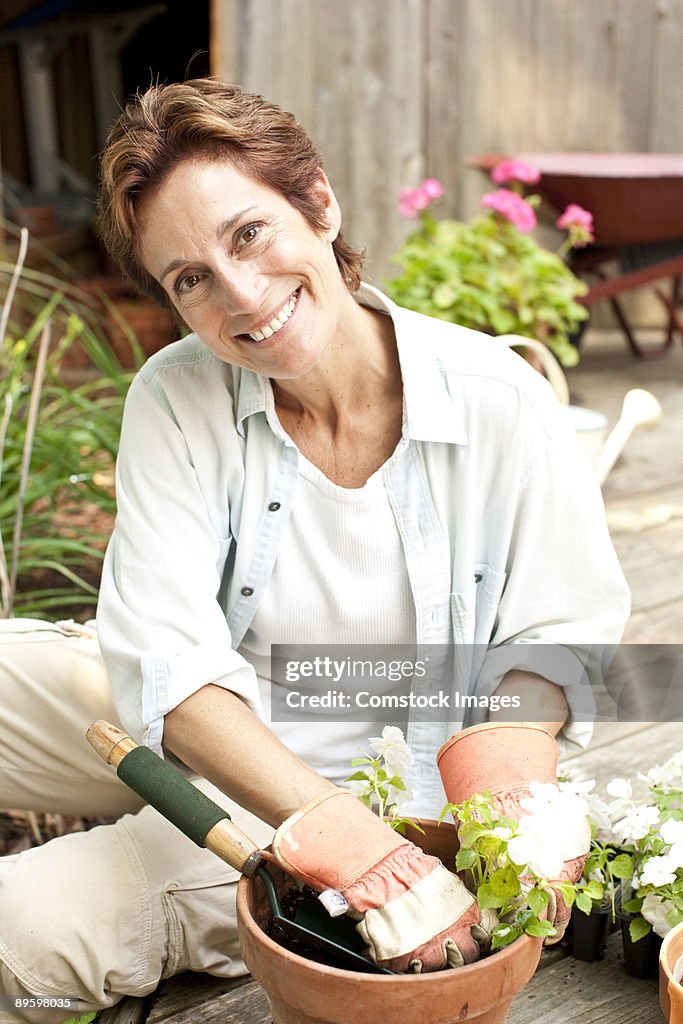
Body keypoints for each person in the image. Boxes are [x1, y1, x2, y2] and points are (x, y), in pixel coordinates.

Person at [0, 78, 630, 1021]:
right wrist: (339, 829)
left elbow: (560, 631)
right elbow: (170, 669)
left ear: (319, 203)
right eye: (190, 278)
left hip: (333, 813)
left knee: (21, 926)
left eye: (248, 234)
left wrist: (461, 801)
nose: (241, 297)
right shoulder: (177, 396)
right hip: (223, 726)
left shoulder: (497, 397)